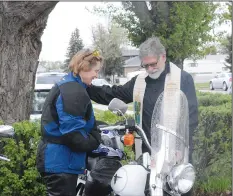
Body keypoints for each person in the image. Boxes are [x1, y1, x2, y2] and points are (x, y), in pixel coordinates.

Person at [87, 37, 198, 195]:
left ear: (163, 57)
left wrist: (182, 146)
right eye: (146, 65)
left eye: (153, 64)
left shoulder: (182, 79)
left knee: (176, 191)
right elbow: (114, 93)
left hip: (175, 151)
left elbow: (192, 117)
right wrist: (87, 88)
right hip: (147, 151)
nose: (150, 69)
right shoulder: (140, 81)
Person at [36, 49, 103, 196]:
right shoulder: (73, 91)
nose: (96, 75)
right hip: (62, 163)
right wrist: (96, 139)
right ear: (84, 67)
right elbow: (73, 135)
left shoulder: (70, 85)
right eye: (95, 71)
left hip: (59, 161)